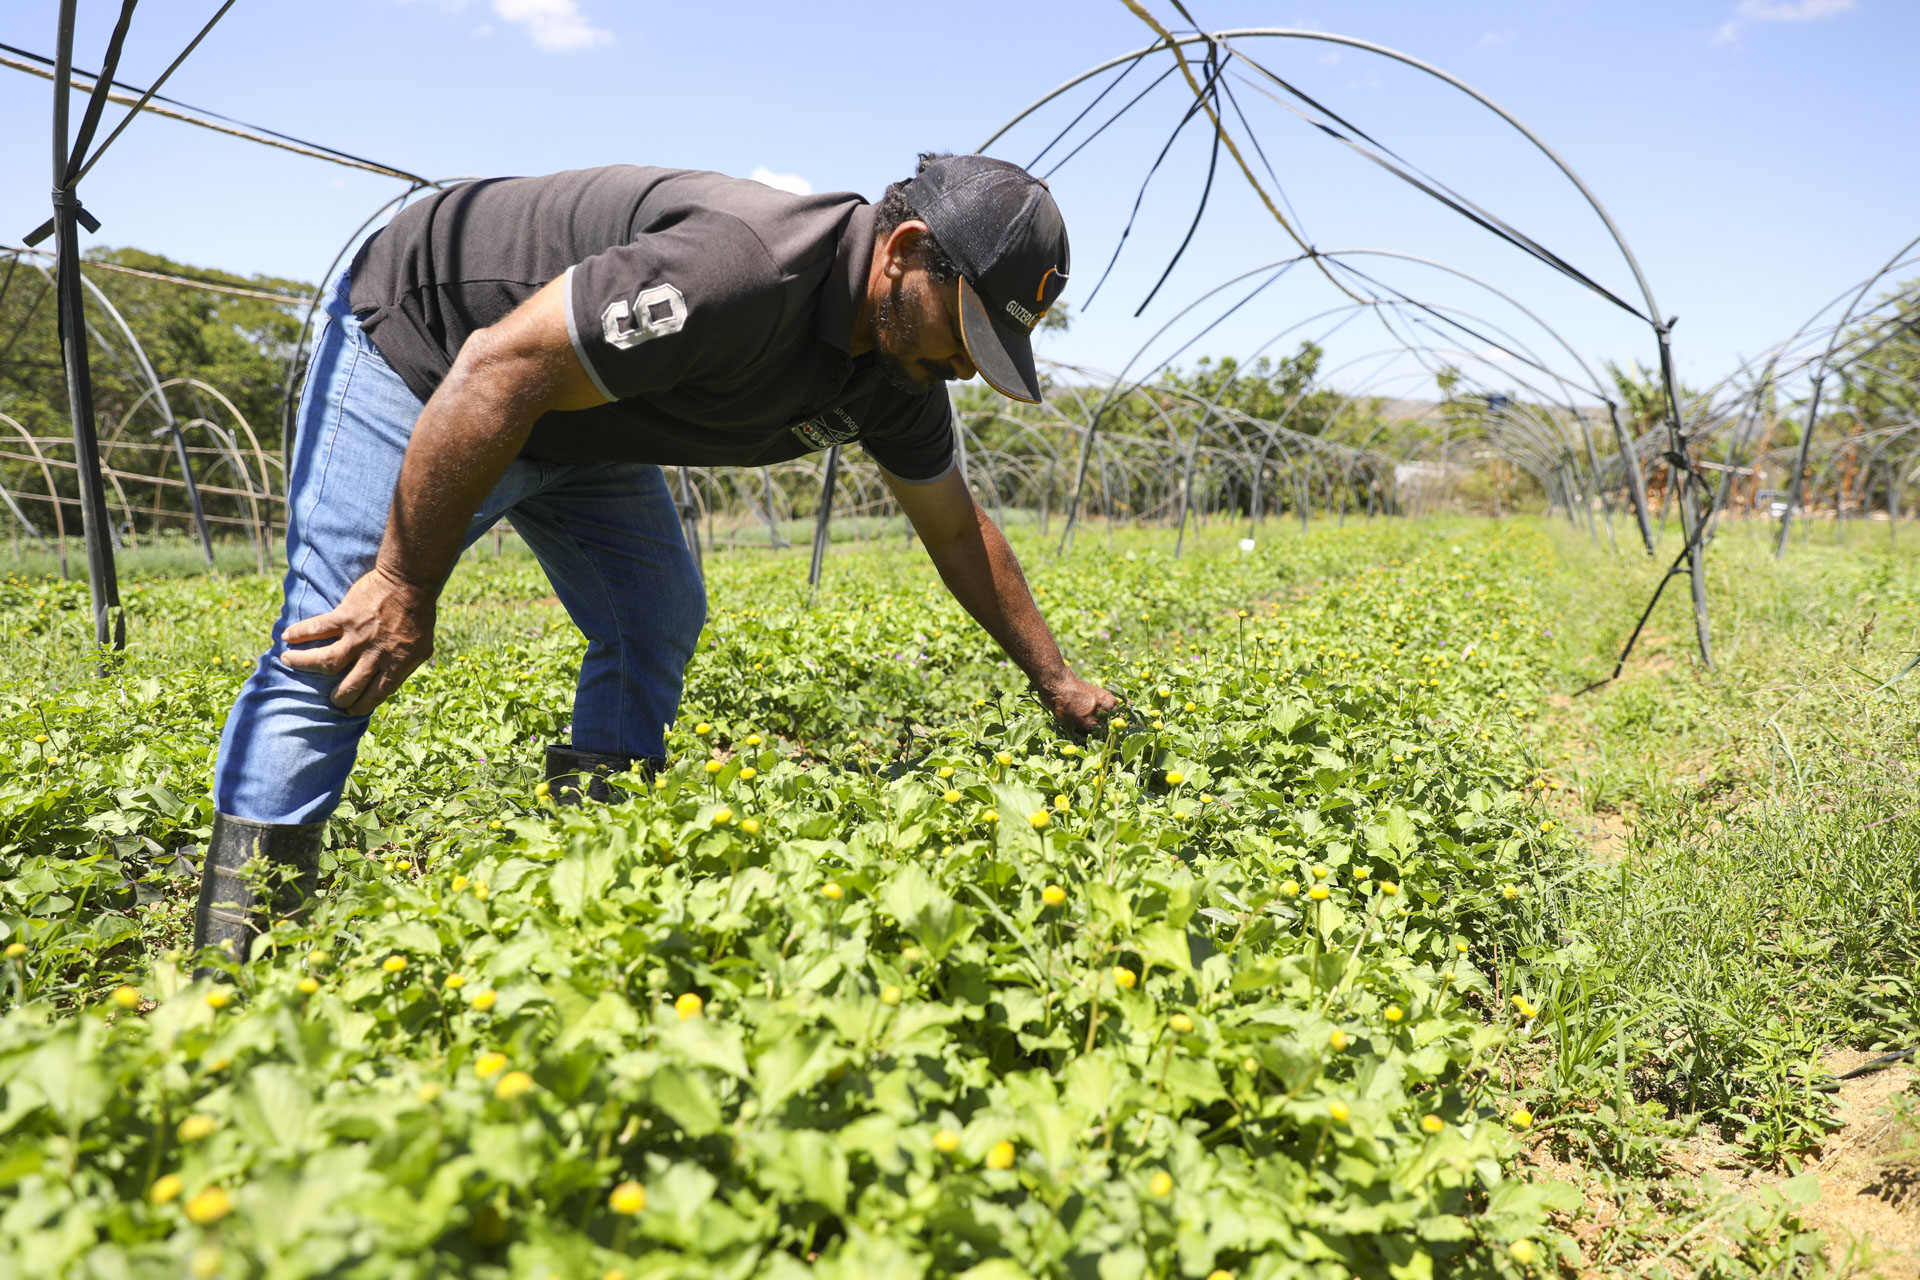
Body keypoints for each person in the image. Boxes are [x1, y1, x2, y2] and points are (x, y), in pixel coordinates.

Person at [193, 152, 1119, 964]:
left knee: (653, 613)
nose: (965, 365)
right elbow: (499, 367)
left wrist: (1058, 681)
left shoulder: (898, 372)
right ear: (907, 250)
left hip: (569, 414)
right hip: (436, 356)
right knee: (339, 644)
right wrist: (403, 584)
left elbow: (957, 530)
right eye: (965, 327)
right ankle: (233, 964)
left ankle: (594, 875)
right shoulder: (742, 270)